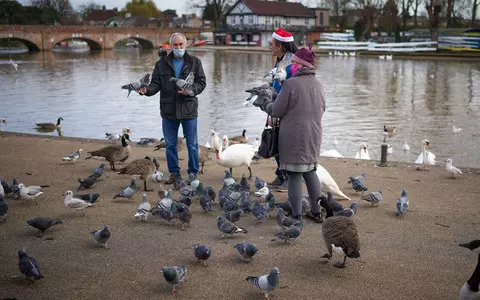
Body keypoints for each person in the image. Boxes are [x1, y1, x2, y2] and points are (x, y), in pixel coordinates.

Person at [253, 46, 325, 223]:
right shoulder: (319, 85)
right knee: (310, 172)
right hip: (314, 136)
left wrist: (265, 102)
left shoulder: (291, 84)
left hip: (293, 137)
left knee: (293, 175)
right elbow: (321, 108)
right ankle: (317, 212)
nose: (291, 66)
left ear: (300, 65)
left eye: (293, 63)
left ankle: (296, 214)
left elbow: (276, 110)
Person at [138, 32, 206, 189]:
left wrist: (191, 90)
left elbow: (201, 83)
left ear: (186, 44)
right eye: (175, 45)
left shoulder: (195, 62)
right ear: (171, 46)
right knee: (170, 144)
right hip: (169, 110)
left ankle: (192, 173)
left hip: (189, 109)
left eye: (181, 44)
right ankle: (174, 173)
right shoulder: (161, 64)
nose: (178, 47)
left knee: (192, 144)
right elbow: (155, 85)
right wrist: (145, 90)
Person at [266, 28, 298, 191]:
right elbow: (276, 82)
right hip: (277, 105)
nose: (269, 46)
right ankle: (281, 175)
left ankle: (288, 178)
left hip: (287, 110)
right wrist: (268, 86)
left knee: (285, 144)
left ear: (281, 46)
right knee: (275, 141)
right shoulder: (280, 60)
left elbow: (291, 88)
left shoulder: (291, 64)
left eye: (271, 43)